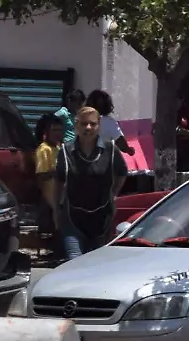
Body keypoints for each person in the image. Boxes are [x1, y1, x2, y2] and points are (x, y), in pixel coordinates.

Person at [55, 107, 128, 259]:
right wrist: (56, 210)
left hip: (102, 220)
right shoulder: (66, 150)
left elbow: (122, 173)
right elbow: (59, 181)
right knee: (74, 263)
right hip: (73, 218)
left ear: (98, 125)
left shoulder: (110, 149)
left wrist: (113, 195)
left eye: (92, 124)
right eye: (84, 124)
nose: (88, 128)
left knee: (95, 266)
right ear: (76, 125)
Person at [33, 113, 64, 239]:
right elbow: (40, 175)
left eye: (60, 130)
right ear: (46, 131)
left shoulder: (59, 147)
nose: (57, 133)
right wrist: (56, 172)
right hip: (50, 196)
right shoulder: (43, 150)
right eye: (54, 130)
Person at [85, 89, 137, 158]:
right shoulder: (109, 122)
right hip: (101, 160)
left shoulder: (82, 119)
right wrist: (129, 150)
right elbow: (121, 144)